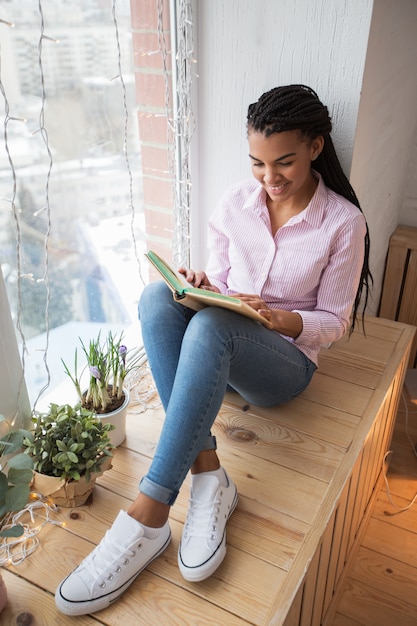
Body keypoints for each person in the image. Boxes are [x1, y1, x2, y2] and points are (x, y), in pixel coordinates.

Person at [55, 84, 372, 616]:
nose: (269, 179)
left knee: (211, 332)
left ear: (316, 148)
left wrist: (279, 318)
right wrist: (204, 287)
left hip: (284, 366)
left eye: (284, 164)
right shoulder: (235, 204)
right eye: (257, 164)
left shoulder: (343, 222)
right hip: (223, 346)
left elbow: (334, 322)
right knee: (158, 298)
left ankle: (149, 514)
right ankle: (209, 474)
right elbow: (225, 285)